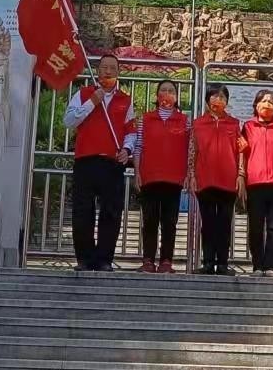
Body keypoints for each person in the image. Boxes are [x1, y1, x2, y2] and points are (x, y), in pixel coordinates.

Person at [64, 53, 135, 271]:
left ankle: (104, 258)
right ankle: (85, 259)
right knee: (83, 210)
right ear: (97, 71)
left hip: (112, 162)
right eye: (104, 67)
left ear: (118, 72)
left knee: (111, 211)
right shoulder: (83, 93)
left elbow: (130, 131)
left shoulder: (125, 99)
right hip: (86, 160)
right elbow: (69, 120)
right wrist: (92, 102)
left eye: (112, 68)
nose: (108, 72)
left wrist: (127, 149)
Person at [134, 79, 188, 273]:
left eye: (170, 90)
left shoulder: (185, 121)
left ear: (176, 96)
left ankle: (166, 261)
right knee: (149, 220)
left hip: (174, 179)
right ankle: (148, 259)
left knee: (169, 222)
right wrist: (136, 173)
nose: (166, 93)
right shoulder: (145, 119)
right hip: (149, 177)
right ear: (157, 96)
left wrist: (188, 173)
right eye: (163, 90)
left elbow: (190, 149)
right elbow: (138, 146)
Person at [189, 82, 240, 275]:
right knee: (208, 223)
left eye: (222, 97)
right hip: (205, 179)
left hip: (228, 180)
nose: (218, 100)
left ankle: (223, 264)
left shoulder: (234, 124)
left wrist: (240, 175)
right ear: (207, 100)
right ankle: (208, 262)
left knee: (225, 223)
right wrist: (192, 175)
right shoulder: (198, 123)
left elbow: (240, 151)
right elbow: (192, 151)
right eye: (214, 96)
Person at [241, 88, 273, 276]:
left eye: (271, 102)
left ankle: (270, 265)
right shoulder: (247, 127)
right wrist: (241, 178)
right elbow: (242, 154)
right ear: (256, 105)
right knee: (255, 226)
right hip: (254, 183)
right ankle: (257, 265)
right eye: (263, 101)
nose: (267, 104)